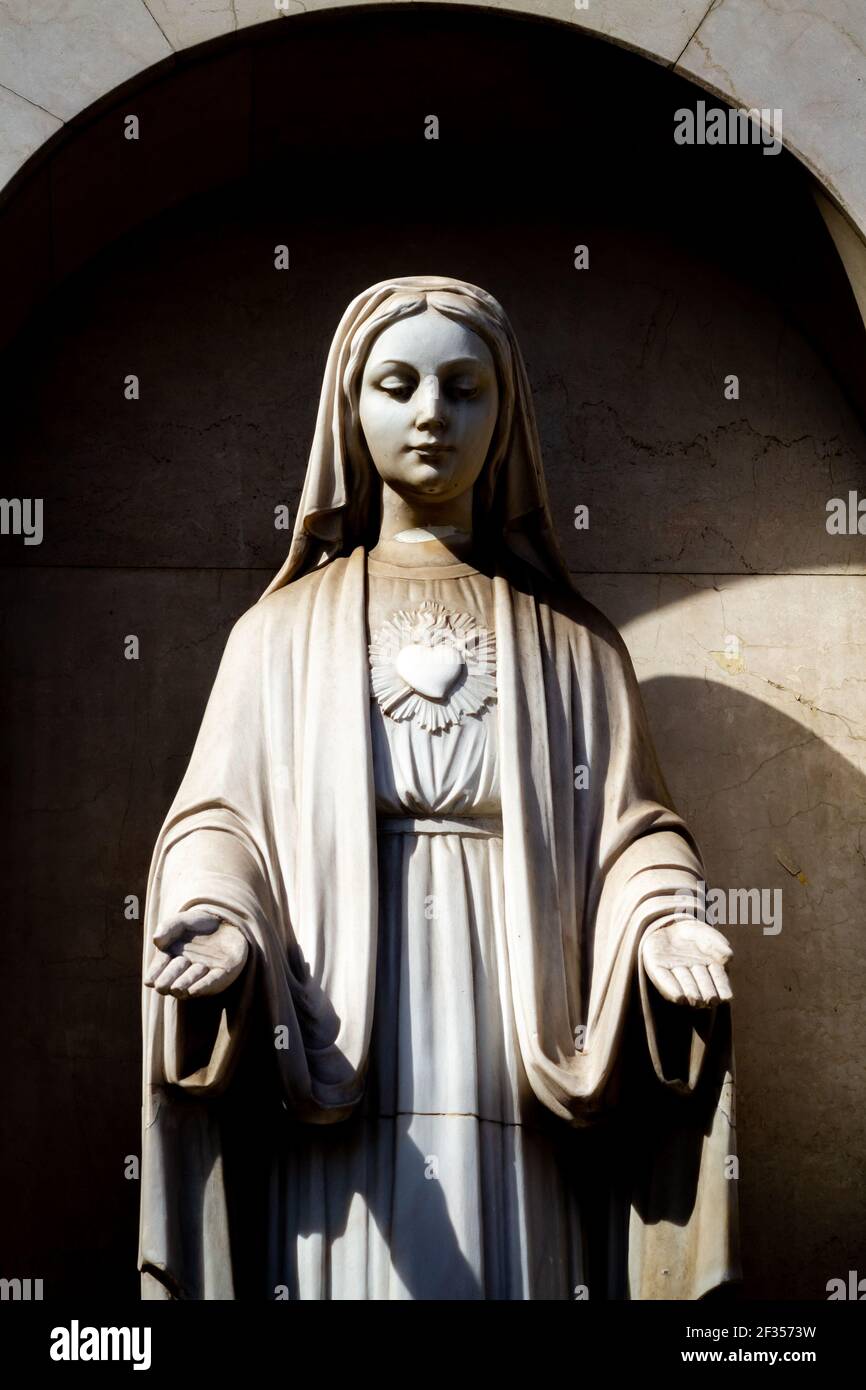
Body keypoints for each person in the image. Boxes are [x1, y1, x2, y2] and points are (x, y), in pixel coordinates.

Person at [139, 275, 739, 1300]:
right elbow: (219, 823)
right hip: (333, 1022)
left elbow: (634, 831)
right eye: (398, 383)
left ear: (504, 416)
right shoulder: (279, 635)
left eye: (464, 387)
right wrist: (222, 922)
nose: (431, 414)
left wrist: (660, 924)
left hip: (522, 1023)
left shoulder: (571, 646)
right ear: (350, 406)